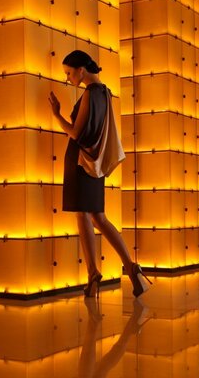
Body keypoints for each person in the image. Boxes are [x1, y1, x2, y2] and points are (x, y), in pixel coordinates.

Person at [48, 50, 151, 298]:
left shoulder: (90, 94)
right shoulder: (105, 93)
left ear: (82, 69)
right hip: (95, 162)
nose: (68, 78)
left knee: (84, 216)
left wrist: (56, 114)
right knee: (98, 218)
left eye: (70, 73)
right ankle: (132, 268)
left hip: (80, 161)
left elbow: (74, 133)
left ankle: (94, 274)